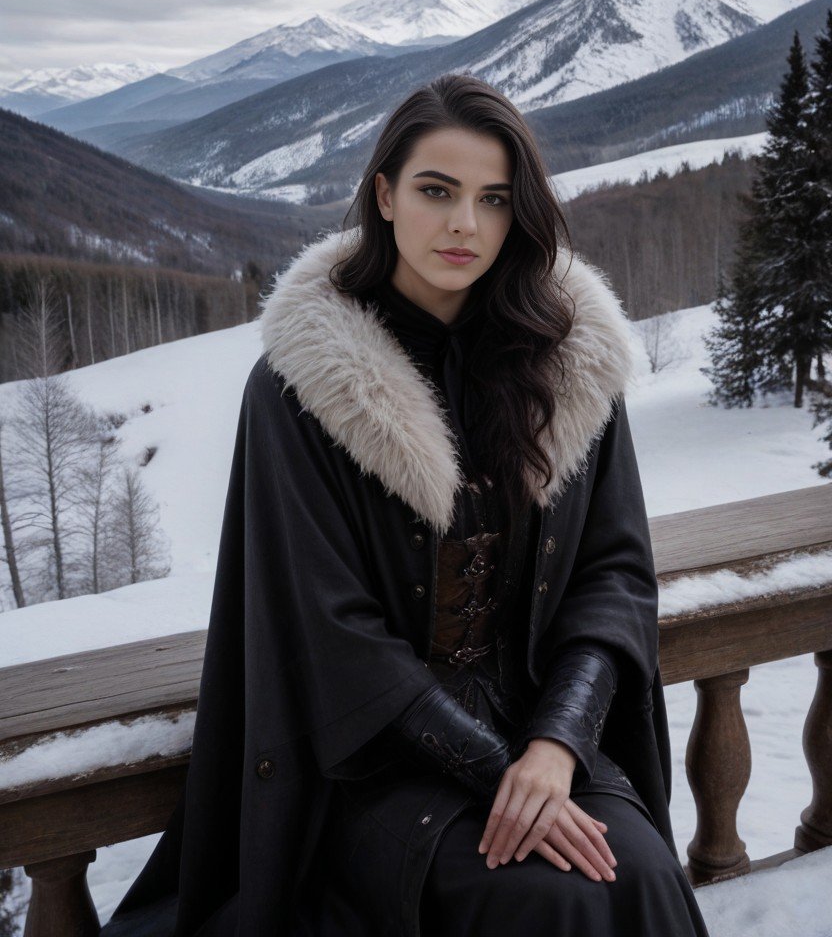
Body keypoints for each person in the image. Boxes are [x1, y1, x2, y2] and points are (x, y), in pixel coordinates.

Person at [105, 73, 711, 936]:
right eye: (437, 191)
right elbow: (332, 631)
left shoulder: (568, 364)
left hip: (540, 733)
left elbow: (613, 574)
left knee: (642, 874)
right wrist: (495, 768)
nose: (466, 224)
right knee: (543, 899)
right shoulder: (303, 387)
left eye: (494, 199)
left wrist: (554, 746)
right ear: (385, 195)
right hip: (375, 758)